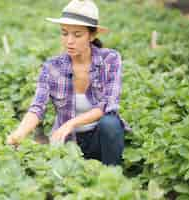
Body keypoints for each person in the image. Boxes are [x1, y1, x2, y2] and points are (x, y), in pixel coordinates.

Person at [7, 0, 131, 165]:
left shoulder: (110, 59)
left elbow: (108, 105)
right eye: (65, 33)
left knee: (110, 123)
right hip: (66, 141)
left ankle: (114, 175)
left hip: (99, 139)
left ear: (92, 36)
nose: (69, 41)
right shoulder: (52, 66)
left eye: (77, 34)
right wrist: (20, 133)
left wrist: (71, 123)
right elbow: (37, 107)